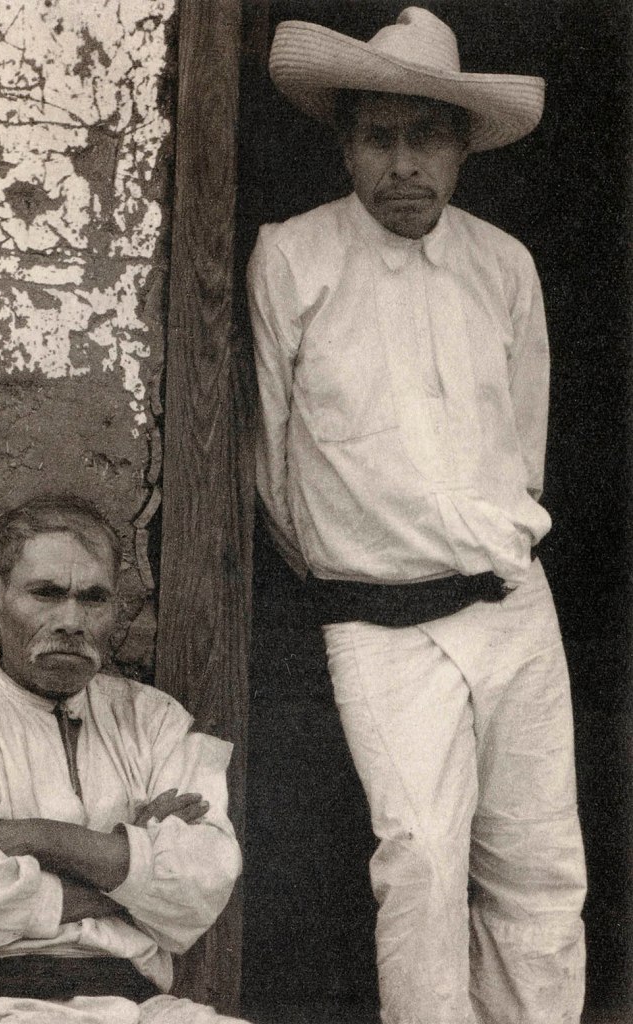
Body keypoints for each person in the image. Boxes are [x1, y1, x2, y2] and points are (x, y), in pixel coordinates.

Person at [247, 8, 586, 1024]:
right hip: (377, 622)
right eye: (380, 138)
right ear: (345, 144)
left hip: (510, 605)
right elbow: (271, 464)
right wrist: (364, 565)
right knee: (423, 860)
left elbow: (521, 447)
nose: (405, 166)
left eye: (427, 138)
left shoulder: (504, 267)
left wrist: (482, 539)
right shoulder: (291, 260)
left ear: (462, 146)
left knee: (536, 863)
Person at [0, 494, 246, 1024]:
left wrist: (35, 838)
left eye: (93, 598)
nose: (71, 620)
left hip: (138, 1006)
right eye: (46, 593)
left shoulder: (153, 719)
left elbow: (203, 885)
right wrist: (132, 871)